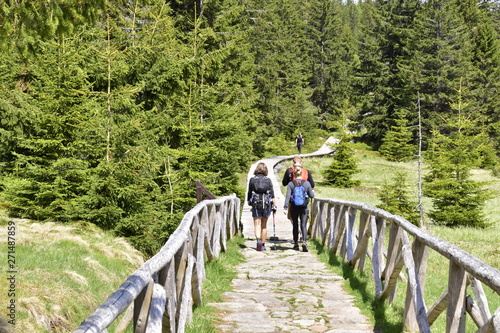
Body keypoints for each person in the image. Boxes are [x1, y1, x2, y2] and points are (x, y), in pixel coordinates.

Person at [247, 162, 277, 251]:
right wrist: (274, 205)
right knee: (264, 225)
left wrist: (249, 201)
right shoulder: (268, 180)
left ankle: (258, 241)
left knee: (257, 224)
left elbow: (249, 192)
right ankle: (263, 245)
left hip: (256, 204)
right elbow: (272, 194)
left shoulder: (252, 179)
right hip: (266, 204)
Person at [284, 165, 314, 252]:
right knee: (303, 225)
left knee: (295, 225)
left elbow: (287, 196)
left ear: (294, 174)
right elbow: (312, 196)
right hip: (304, 207)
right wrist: (312, 192)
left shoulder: (291, 184)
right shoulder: (307, 183)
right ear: (302, 173)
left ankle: (296, 244)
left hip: (293, 207)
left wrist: (285, 207)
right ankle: (304, 241)